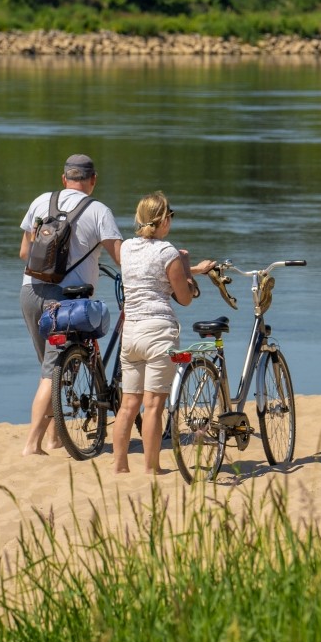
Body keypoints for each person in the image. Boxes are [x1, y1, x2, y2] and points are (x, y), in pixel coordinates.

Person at [18, 154, 122, 456]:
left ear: (64, 179)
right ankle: (32, 445)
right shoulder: (99, 210)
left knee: (52, 370)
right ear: (93, 180)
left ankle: (54, 439)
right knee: (53, 374)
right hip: (67, 303)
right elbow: (121, 258)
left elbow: (25, 251)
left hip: (30, 293)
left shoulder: (42, 201)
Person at [109, 191, 215, 475]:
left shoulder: (127, 248)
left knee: (128, 404)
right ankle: (152, 467)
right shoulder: (168, 251)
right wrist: (189, 273)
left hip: (130, 333)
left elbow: (146, 273)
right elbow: (185, 296)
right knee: (154, 405)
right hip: (158, 332)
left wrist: (183, 266)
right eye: (170, 215)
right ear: (163, 220)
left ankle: (120, 466)